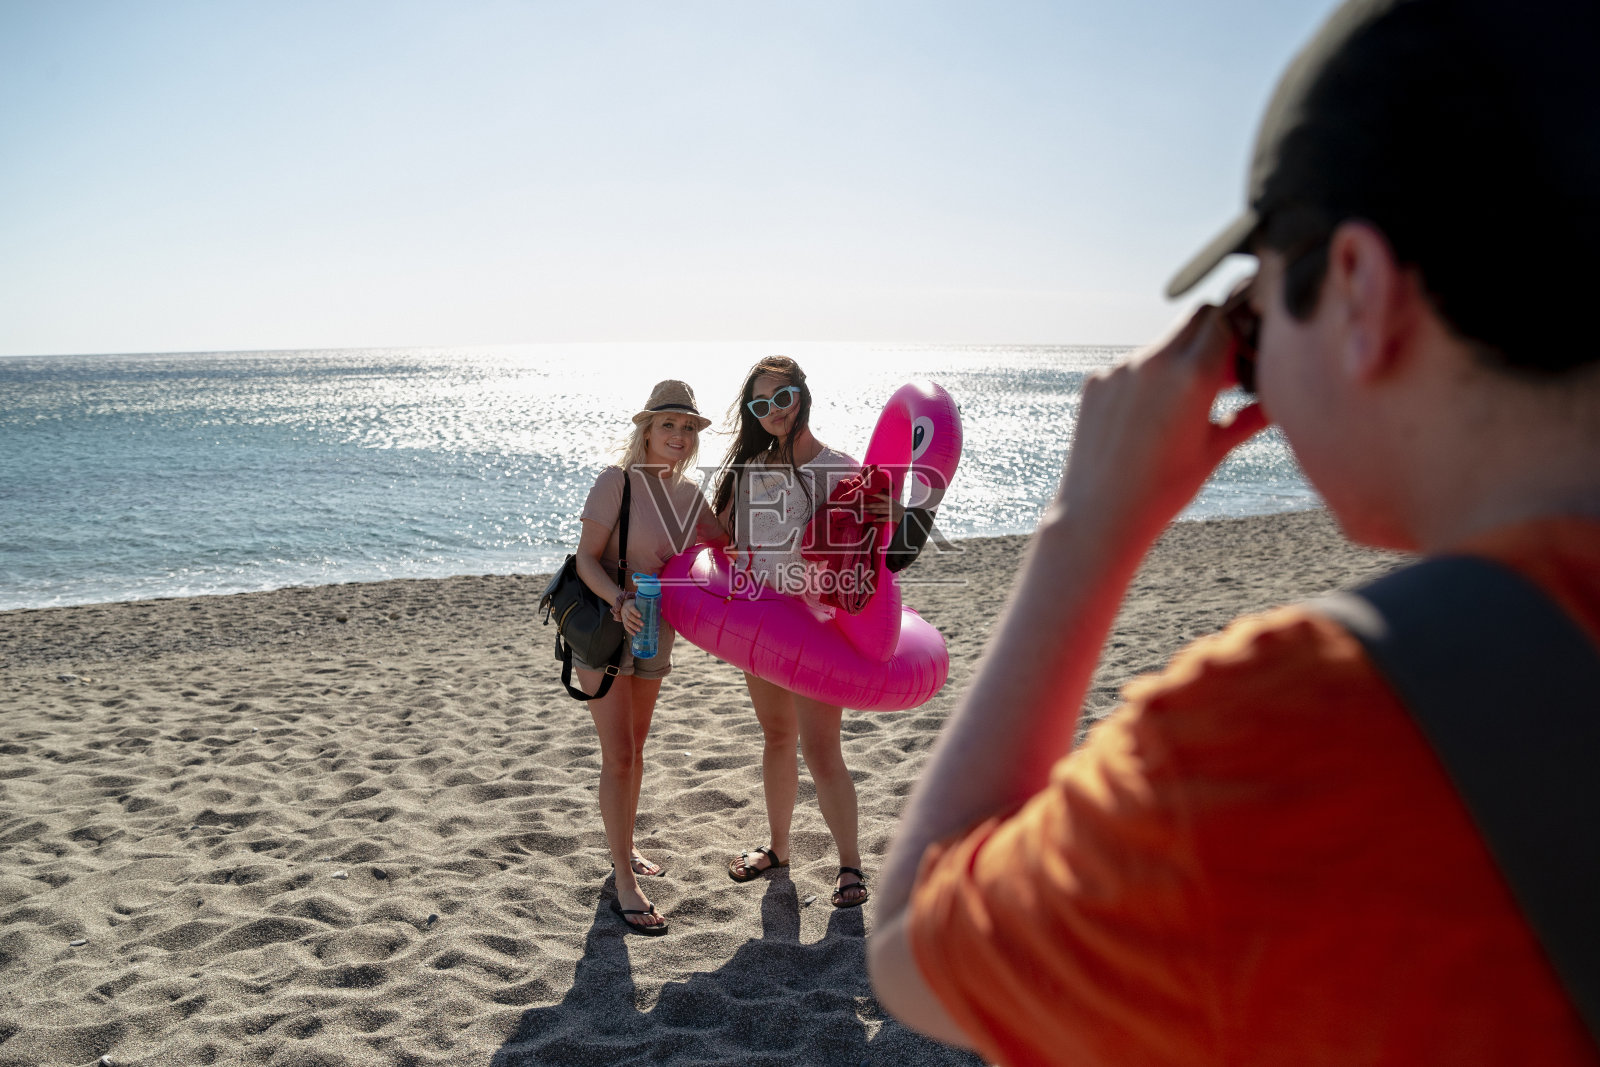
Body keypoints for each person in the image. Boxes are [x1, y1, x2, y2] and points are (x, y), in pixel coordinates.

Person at [868, 0, 1600, 1063]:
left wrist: (1086, 530)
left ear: (1358, 291)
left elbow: (908, 949)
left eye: (1250, 327)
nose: (1250, 374)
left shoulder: (1277, 735)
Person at [711, 356, 895, 908]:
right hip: (761, 622)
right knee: (776, 737)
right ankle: (779, 850)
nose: (773, 413)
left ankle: (850, 868)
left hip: (816, 629)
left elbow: (876, 550)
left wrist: (892, 512)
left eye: (781, 399)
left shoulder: (841, 468)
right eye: (760, 405)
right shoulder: (749, 472)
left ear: (801, 395)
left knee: (821, 750)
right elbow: (720, 539)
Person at [573, 379, 724, 935]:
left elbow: (729, 546)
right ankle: (623, 878)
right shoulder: (617, 482)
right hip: (605, 627)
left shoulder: (689, 498)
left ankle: (625, 844)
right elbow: (586, 558)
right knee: (617, 753)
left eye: (687, 427)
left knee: (636, 750)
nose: (679, 434)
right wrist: (618, 600)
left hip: (655, 631)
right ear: (647, 429)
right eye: (668, 425)